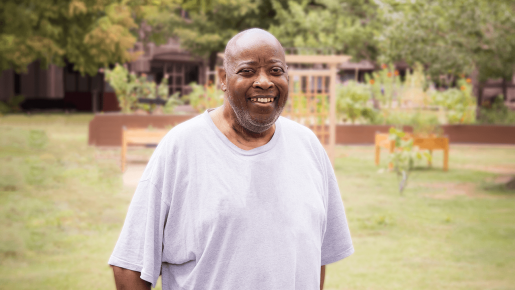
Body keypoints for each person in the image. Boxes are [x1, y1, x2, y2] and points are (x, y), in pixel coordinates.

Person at [109, 28, 353, 290]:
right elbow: (129, 266)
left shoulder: (308, 147)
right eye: (248, 71)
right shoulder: (182, 147)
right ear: (223, 78)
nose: (264, 82)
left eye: (276, 70)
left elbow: (315, 257)